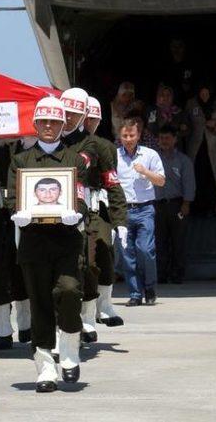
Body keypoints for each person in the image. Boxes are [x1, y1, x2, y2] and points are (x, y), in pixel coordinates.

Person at [7, 96, 88, 392]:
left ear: (64, 124)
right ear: (35, 125)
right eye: (43, 122)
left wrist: (75, 211)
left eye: (55, 122)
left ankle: (69, 350)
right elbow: (12, 200)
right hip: (34, 243)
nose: (49, 127)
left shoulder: (75, 159)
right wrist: (20, 214)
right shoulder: (20, 162)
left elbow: (81, 196)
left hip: (66, 241)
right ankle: (44, 367)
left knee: (69, 291)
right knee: (40, 302)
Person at [60, 87, 101, 343]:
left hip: (77, 211)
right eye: (67, 112)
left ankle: (84, 319)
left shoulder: (89, 142)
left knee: (84, 268)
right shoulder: (50, 134)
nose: (70, 118)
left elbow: (79, 167)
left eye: (76, 114)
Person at [83, 96, 128, 328]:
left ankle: (105, 305)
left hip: (96, 207)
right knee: (85, 261)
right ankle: (87, 313)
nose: (89, 122)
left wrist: (120, 220)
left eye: (93, 119)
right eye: (86, 118)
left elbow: (112, 183)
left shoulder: (106, 147)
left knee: (104, 251)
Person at [0, 137, 31, 350]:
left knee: (23, 267)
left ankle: (26, 325)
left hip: (23, 209)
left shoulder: (26, 143)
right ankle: (2, 330)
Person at [116, 117, 165, 306]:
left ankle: (150, 286)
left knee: (145, 249)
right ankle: (135, 293)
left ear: (138, 136)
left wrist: (145, 171)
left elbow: (161, 181)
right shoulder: (115, 156)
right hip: (122, 209)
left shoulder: (150, 155)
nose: (128, 139)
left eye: (132, 135)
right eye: (125, 135)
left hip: (144, 208)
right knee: (127, 253)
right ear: (120, 136)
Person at [155, 125, 196, 284]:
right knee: (160, 241)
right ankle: (161, 274)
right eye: (161, 138)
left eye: (167, 138)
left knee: (178, 241)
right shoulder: (154, 159)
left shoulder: (183, 160)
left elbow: (189, 183)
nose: (164, 141)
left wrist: (186, 203)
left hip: (177, 204)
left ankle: (178, 274)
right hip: (158, 205)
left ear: (175, 139)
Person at [185, 81, 216, 212]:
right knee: (199, 175)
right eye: (202, 93)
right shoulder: (191, 103)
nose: (204, 95)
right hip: (197, 147)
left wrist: (215, 123)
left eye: (206, 93)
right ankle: (198, 208)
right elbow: (186, 121)